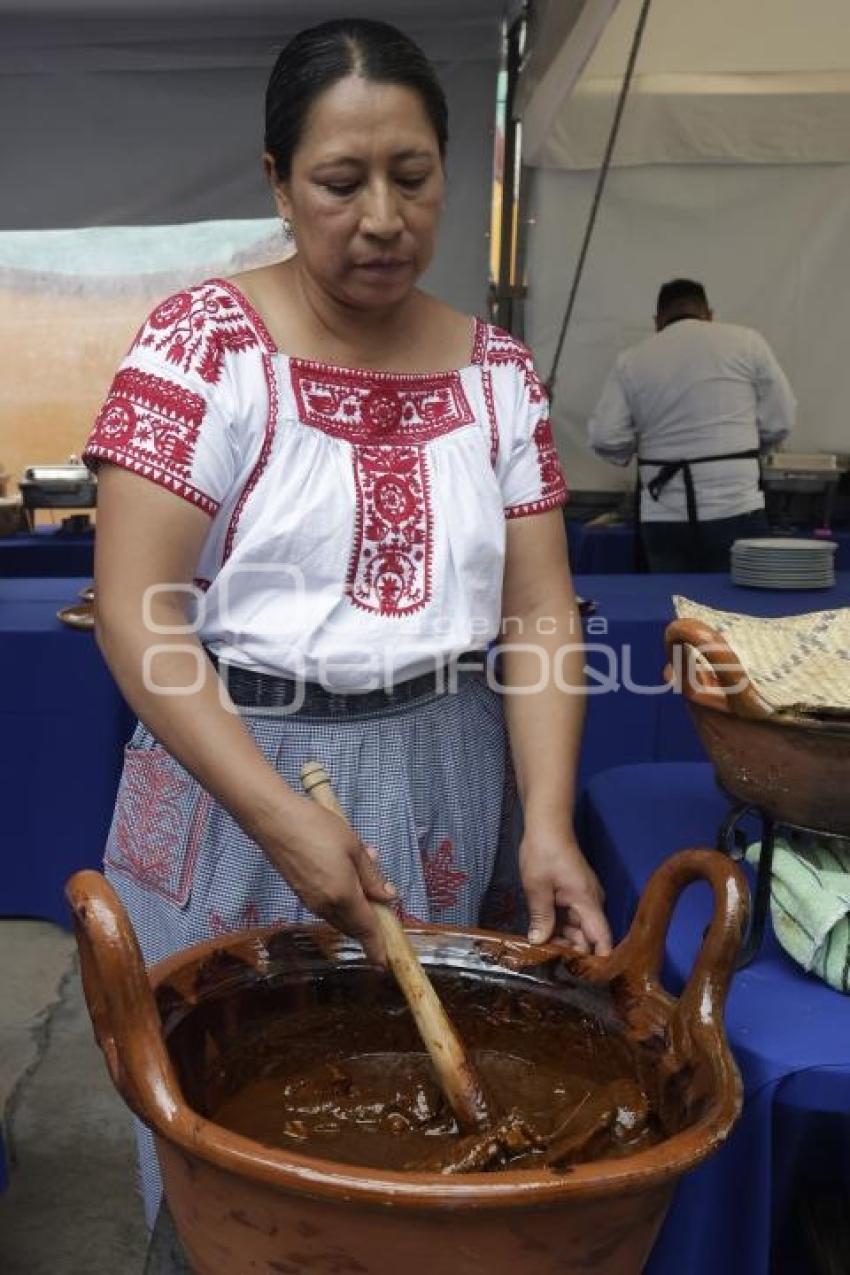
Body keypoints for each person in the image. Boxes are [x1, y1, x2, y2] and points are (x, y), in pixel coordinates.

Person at [83, 18, 611, 1225]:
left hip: (442, 770)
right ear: (278, 181)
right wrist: (275, 818)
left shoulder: (496, 375)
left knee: (415, 1141)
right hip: (234, 772)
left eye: (412, 178)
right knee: (227, 1137)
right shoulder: (204, 346)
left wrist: (540, 825)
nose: (381, 217)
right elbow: (136, 611)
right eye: (339, 182)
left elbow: (535, 612)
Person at [587, 278, 796, 572]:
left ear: (657, 321)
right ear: (709, 315)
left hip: (665, 514)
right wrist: (742, 447)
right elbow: (781, 418)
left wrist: (645, 443)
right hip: (736, 505)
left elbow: (606, 437)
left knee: (673, 608)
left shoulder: (631, 361)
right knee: (740, 612)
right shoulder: (747, 343)